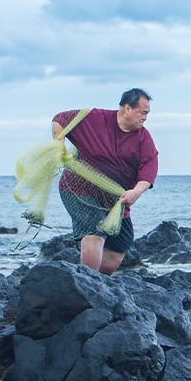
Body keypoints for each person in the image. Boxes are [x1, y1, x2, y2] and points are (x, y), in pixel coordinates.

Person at [52, 88, 159, 275]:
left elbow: (149, 166)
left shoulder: (143, 137)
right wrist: (59, 147)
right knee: (95, 232)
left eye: (147, 114)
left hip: (115, 197)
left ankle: (97, 282)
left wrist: (137, 191)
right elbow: (60, 120)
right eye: (143, 113)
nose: (145, 118)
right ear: (127, 108)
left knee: (121, 242)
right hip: (79, 188)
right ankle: (86, 285)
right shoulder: (95, 118)